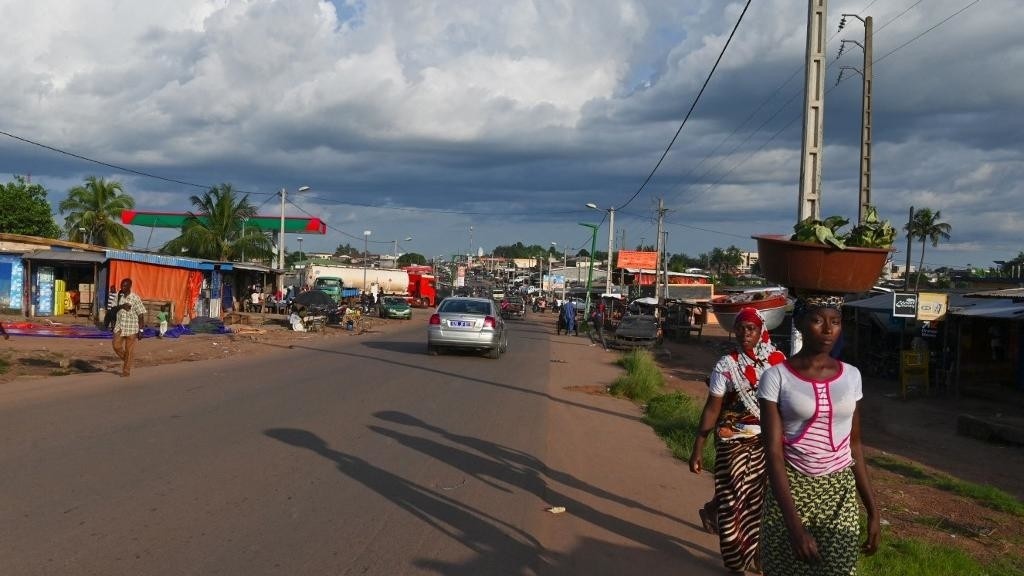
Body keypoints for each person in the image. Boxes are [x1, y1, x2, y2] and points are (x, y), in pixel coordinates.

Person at [757, 294, 880, 574]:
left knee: (840, 568)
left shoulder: (852, 376)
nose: (828, 330)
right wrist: (794, 527)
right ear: (800, 323)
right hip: (791, 491)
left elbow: (855, 444)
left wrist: (873, 510)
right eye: (817, 320)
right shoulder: (776, 377)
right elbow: (773, 453)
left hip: (839, 492)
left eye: (835, 322)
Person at [689, 307, 786, 573]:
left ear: (760, 332)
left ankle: (756, 552)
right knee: (733, 500)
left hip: (768, 441)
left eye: (751, 329)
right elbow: (712, 408)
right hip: (732, 440)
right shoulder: (726, 365)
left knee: (762, 501)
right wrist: (698, 446)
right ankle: (734, 560)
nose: (745, 333)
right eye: (741, 328)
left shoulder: (778, 362)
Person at [111, 278, 147, 377]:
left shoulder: (135, 298)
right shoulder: (118, 296)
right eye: (122, 285)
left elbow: (141, 315)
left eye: (125, 286)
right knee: (116, 345)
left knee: (129, 350)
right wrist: (122, 306)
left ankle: (126, 371)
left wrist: (141, 330)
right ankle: (127, 359)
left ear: (130, 286)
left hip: (131, 328)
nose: (122, 287)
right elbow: (113, 309)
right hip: (120, 326)